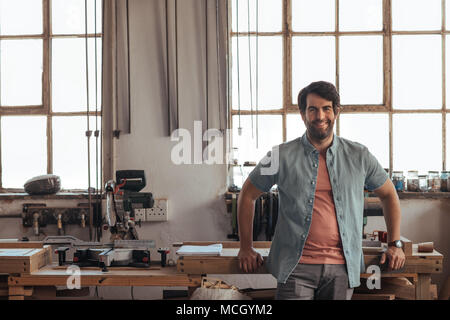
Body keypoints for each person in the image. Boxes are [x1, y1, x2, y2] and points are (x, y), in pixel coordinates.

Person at [237, 81, 405, 300]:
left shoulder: (359, 155)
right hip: (294, 267)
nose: (320, 116)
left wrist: (395, 244)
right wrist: (246, 247)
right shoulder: (280, 155)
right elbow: (247, 194)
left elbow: (389, 195)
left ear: (336, 111)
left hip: (342, 269)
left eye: (326, 108)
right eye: (312, 109)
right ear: (302, 114)